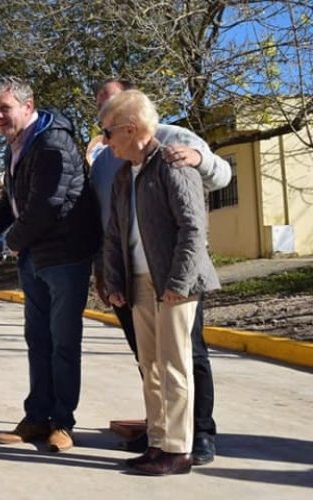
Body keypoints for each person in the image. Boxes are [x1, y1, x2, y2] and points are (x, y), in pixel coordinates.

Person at [91, 78, 229, 465]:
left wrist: (178, 283)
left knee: (176, 365)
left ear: (131, 128)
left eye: (108, 130)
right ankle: (157, 441)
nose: (104, 140)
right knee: (149, 365)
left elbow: (193, 228)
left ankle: (179, 448)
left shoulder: (172, 160)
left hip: (172, 281)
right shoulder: (121, 174)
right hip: (137, 283)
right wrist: (114, 281)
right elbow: (114, 234)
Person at [0, 76, 101, 453]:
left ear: (28, 107)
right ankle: (37, 417)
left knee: (63, 343)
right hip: (34, 257)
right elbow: (14, 201)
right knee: (38, 341)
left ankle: (63, 423)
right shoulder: (18, 144)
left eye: (4, 108)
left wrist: (11, 240)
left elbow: (48, 204)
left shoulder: (53, 142)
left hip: (64, 258)